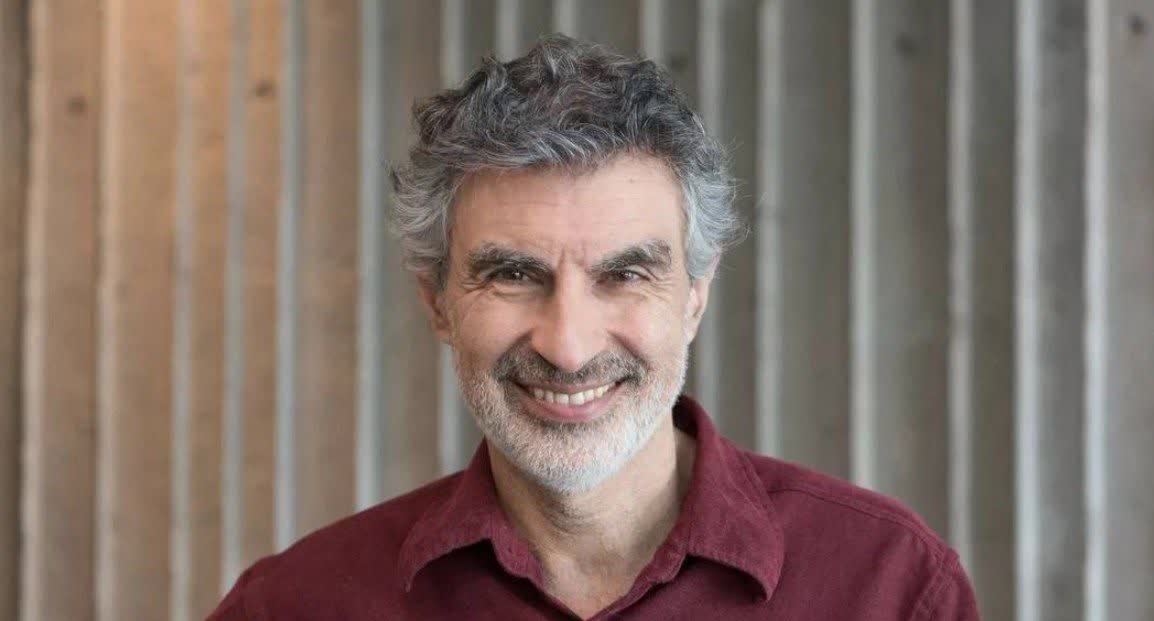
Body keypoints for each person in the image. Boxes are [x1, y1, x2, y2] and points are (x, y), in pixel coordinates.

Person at [207, 34, 979, 620]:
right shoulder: (296, 605)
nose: (568, 345)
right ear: (437, 301)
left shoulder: (888, 587)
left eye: (625, 274)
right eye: (514, 275)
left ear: (695, 295)